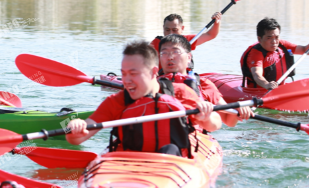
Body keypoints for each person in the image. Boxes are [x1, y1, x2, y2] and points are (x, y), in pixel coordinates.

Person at [66, 40, 222, 158]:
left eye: (133, 74)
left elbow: (216, 124)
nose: (126, 80)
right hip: (130, 160)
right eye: (124, 73)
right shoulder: (117, 101)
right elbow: (78, 138)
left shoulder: (180, 93)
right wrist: (75, 127)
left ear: (153, 72)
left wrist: (206, 117)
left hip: (172, 160)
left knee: (170, 150)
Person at [158, 34, 253, 127]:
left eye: (176, 52)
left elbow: (228, 120)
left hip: (195, 137)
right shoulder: (153, 84)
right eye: (164, 53)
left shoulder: (203, 84)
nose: (170, 57)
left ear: (189, 57)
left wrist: (237, 108)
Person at [240, 18, 309, 90]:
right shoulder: (255, 54)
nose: (274, 41)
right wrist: (267, 84)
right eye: (269, 38)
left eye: (277, 37)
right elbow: (257, 75)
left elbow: (304, 50)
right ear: (259, 39)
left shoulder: (283, 45)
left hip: (279, 89)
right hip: (260, 92)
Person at [151, 13, 222, 70]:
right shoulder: (156, 43)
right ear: (163, 28)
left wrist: (216, 23)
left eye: (174, 30)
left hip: (184, 79)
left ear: (182, 28)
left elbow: (210, 35)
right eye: (167, 30)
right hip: (162, 79)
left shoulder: (186, 40)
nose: (170, 33)